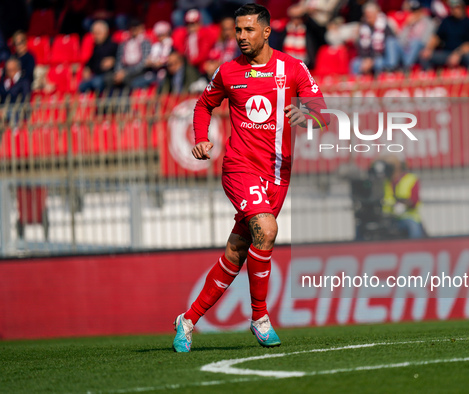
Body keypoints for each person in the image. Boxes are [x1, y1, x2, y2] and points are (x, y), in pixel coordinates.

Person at [173, 3, 329, 352]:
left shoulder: (292, 68)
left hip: (277, 173)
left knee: (238, 250)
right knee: (268, 229)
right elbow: (203, 105)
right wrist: (200, 137)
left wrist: (305, 114)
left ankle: (187, 320)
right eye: (238, 30)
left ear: (266, 31)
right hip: (240, 167)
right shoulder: (228, 72)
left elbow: (323, 115)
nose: (241, 36)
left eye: (248, 30)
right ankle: (260, 317)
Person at [420, 0, 469, 70]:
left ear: (462, 8)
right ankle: (429, 76)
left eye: (457, 7)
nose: (454, 10)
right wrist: (428, 49)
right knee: (424, 55)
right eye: (452, 8)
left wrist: (457, 54)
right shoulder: (446, 21)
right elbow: (437, 37)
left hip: (461, 54)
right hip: (447, 53)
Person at [380, 157, 425, 239]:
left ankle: (415, 248)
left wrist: (403, 204)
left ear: (399, 165)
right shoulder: (385, 181)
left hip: (407, 217)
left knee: (413, 227)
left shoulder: (410, 179)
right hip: (388, 218)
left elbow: (414, 201)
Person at [350, 2, 397, 75]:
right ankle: (357, 85)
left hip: (380, 57)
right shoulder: (363, 27)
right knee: (355, 64)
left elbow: (387, 47)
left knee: (379, 63)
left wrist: (372, 60)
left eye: (370, 13)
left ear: (376, 14)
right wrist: (366, 59)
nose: (368, 16)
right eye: (366, 14)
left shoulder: (385, 26)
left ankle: (380, 84)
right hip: (365, 58)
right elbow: (360, 47)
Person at [110, 19, 151, 91]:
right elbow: (119, 60)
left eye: (136, 28)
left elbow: (144, 63)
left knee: (127, 79)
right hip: (124, 71)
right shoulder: (123, 44)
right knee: (109, 79)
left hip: (139, 72)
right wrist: (118, 72)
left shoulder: (145, 43)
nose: (134, 30)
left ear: (141, 28)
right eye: (132, 28)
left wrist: (126, 73)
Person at [393, 0, 435, 70]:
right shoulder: (409, 22)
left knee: (415, 42)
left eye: (417, 11)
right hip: (406, 48)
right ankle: (391, 68)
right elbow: (400, 39)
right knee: (392, 41)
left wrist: (412, 43)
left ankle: (406, 67)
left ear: (421, 10)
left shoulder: (429, 22)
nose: (415, 13)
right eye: (413, 11)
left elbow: (425, 41)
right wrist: (407, 25)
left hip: (420, 48)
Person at [79, 20, 118, 93]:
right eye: (94, 34)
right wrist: (87, 68)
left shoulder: (114, 45)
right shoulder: (96, 47)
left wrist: (114, 61)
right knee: (82, 85)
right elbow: (91, 62)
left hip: (108, 75)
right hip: (96, 75)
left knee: (97, 82)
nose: (95, 36)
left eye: (98, 33)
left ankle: (101, 103)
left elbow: (120, 59)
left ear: (105, 32)